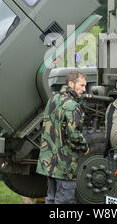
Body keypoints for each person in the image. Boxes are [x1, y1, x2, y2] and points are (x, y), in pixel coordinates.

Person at [36, 71, 89, 204]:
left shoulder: (53, 99)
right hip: (65, 164)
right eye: (81, 85)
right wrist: (84, 148)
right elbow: (74, 135)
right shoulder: (72, 105)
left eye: (85, 86)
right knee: (64, 200)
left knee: (51, 198)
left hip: (50, 161)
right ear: (71, 84)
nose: (84, 89)